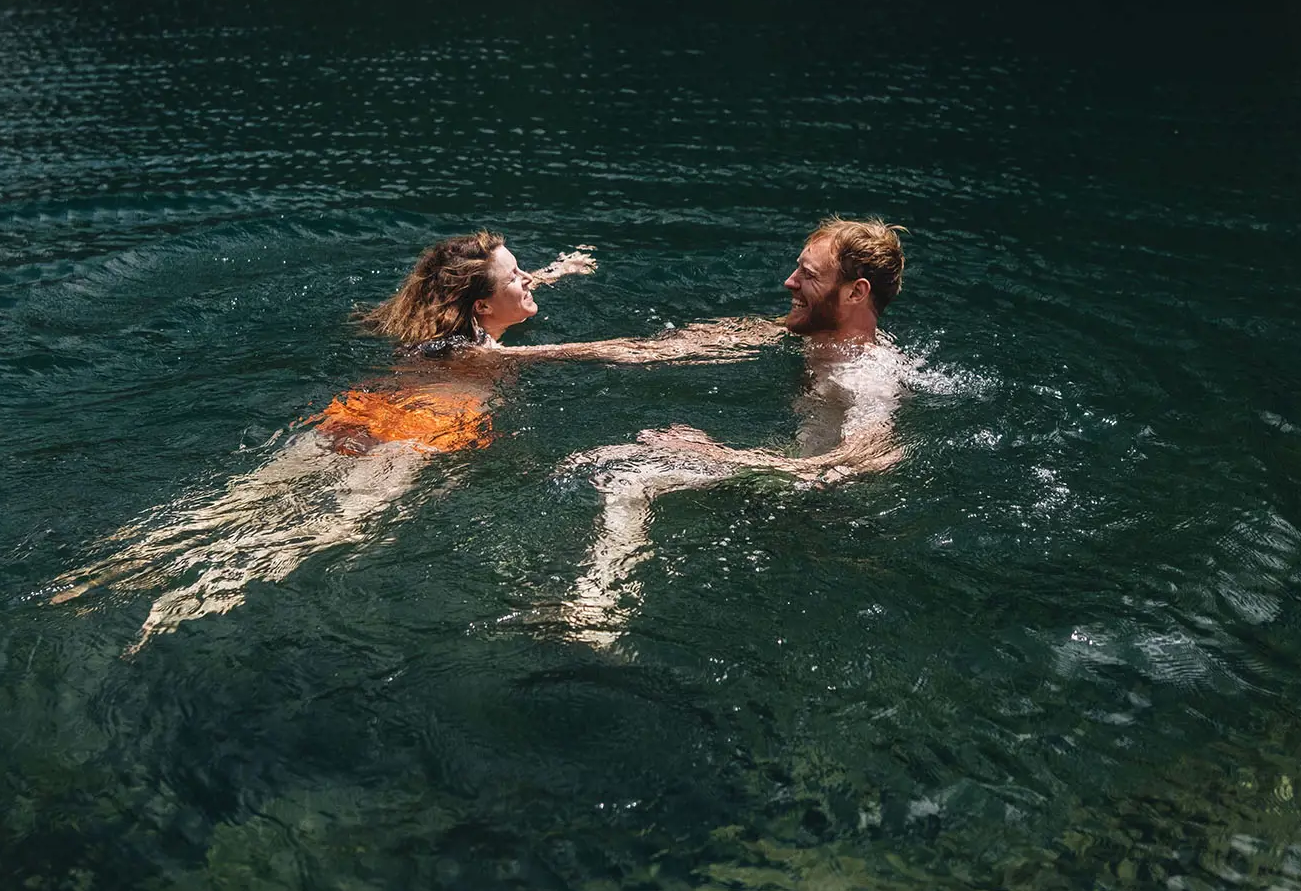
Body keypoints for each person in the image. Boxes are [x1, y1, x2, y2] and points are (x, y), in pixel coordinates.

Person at [50, 232, 775, 648]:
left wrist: (561, 270)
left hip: (360, 411)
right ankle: (177, 607)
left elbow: (503, 294)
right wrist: (735, 337)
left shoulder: (442, 332)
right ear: (482, 303)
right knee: (319, 529)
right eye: (520, 277)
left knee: (242, 498)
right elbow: (618, 352)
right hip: (421, 432)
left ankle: (110, 568)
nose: (531, 282)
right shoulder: (489, 354)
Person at [559, 217, 909, 642]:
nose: (789, 281)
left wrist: (718, 455)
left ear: (856, 291)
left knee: (631, 476)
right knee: (597, 458)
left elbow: (866, 459)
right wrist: (518, 357)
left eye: (808, 275)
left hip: (823, 502)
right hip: (782, 467)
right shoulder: (803, 335)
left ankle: (599, 611)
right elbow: (653, 351)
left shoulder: (868, 375)